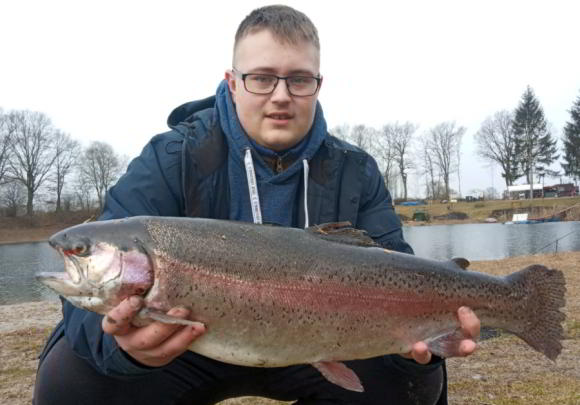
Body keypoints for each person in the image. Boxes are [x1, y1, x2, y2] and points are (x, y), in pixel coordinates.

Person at [34, 5, 480, 405]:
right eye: (262, 77)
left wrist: (418, 348)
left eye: (299, 79)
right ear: (232, 82)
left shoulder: (355, 170)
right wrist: (122, 347)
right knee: (71, 385)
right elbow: (82, 313)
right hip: (187, 346)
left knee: (412, 384)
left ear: (318, 85)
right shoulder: (170, 158)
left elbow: (396, 268)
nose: (281, 95)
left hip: (323, 341)